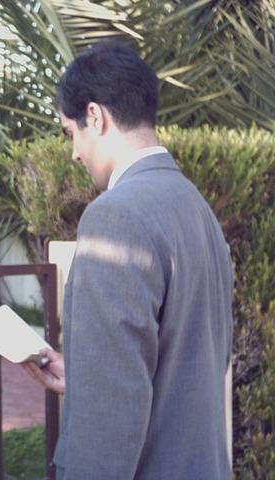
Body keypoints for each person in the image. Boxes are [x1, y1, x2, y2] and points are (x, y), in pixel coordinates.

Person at [23, 43, 233, 479]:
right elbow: (187, 363)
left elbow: (109, 416)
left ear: (95, 117)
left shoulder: (114, 215)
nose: (74, 153)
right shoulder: (197, 208)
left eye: (70, 132)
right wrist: (85, 379)